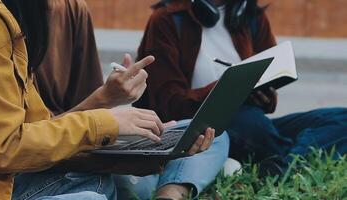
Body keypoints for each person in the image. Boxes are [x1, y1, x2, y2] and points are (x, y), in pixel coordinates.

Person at [0, 0, 218, 199]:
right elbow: (6, 147)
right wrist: (106, 122)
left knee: (209, 131)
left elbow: (37, 131)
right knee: (96, 192)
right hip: (20, 174)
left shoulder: (44, 15)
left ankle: (169, 193)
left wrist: (107, 101)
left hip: (41, 162)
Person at [134, 0, 347, 174]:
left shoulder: (252, 17)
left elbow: (269, 76)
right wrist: (228, 89)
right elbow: (168, 103)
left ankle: (280, 165)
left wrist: (265, 97)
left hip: (253, 122)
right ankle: (293, 161)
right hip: (200, 128)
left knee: (341, 119)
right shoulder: (166, 20)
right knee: (251, 122)